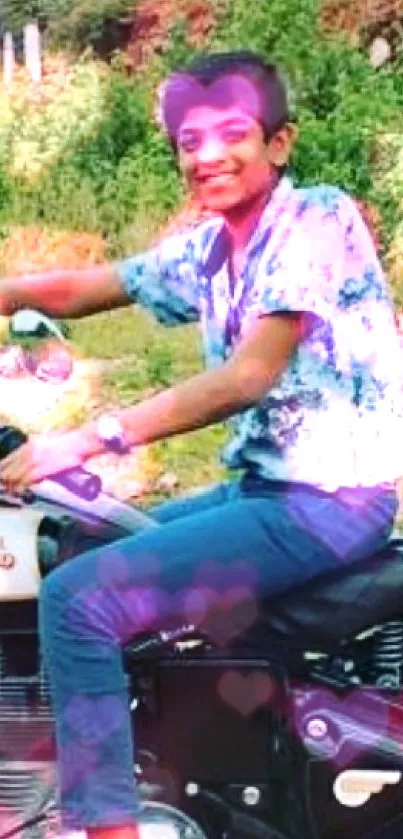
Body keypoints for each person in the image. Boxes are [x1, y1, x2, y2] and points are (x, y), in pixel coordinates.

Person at [0, 50, 402, 839]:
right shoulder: (213, 247)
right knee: (81, 539)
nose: (207, 154)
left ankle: (106, 826)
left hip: (329, 498)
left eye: (231, 133)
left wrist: (86, 438)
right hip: (267, 490)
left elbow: (246, 376)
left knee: (80, 600)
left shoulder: (315, 220)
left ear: (277, 143)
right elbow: (94, 286)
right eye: (188, 140)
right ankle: (163, 772)